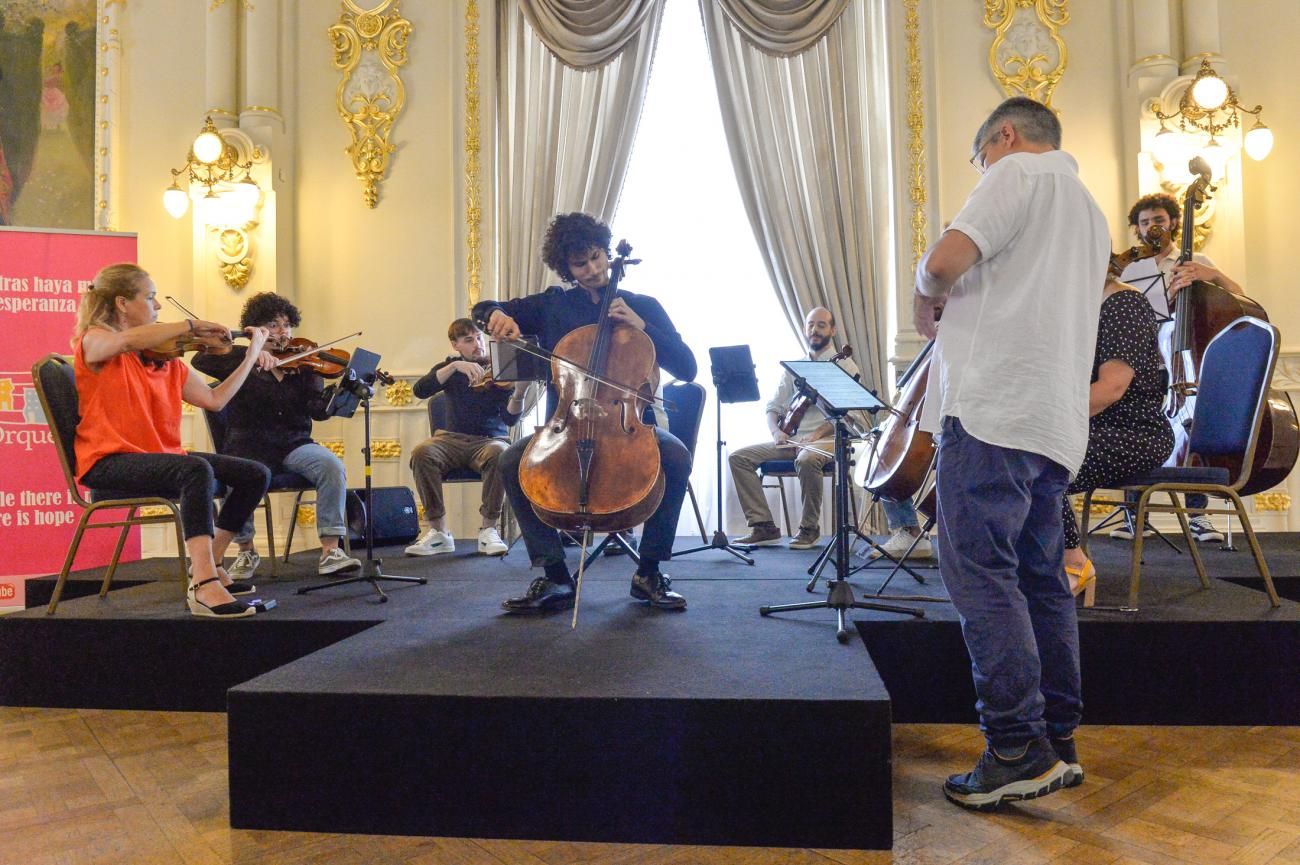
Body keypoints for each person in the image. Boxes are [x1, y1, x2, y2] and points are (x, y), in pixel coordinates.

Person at [913, 97, 1109, 810]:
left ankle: (1016, 745)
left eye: (979, 157)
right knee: (1040, 577)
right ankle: (1057, 740)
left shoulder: (1016, 174)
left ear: (1002, 135)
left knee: (979, 569)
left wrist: (921, 289)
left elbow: (942, 265)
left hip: (994, 407)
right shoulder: (1089, 209)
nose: (981, 169)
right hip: (1053, 421)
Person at [474, 211, 697, 613]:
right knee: (510, 461)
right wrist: (495, 315)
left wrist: (642, 324)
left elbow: (687, 366)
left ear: (608, 253)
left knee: (677, 455)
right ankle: (555, 576)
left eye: (597, 257)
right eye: (581, 263)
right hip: (568, 423)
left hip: (627, 425)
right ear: (567, 268)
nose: (593, 269)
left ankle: (649, 572)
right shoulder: (553, 305)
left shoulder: (643, 304)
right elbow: (485, 306)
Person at [71, 263, 273, 619]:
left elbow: (215, 400)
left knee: (254, 474)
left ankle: (207, 563)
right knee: (194, 469)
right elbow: (125, 341)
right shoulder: (95, 342)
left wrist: (251, 355)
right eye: (150, 298)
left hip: (157, 458)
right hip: (108, 462)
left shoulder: (166, 361)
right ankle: (204, 585)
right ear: (122, 303)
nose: (158, 307)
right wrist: (192, 325)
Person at [728, 307, 928, 554]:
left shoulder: (844, 365)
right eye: (811, 324)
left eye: (821, 325)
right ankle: (763, 526)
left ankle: (809, 528)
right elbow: (774, 406)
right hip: (791, 440)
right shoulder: (795, 367)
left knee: (807, 458)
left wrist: (815, 435)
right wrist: (777, 433)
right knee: (739, 457)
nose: (814, 330)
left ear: (832, 330)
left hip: (828, 440)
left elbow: (846, 414)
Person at [192, 292, 361, 578]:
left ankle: (330, 550)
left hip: (294, 444)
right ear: (256, 329)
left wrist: (336, 399)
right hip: (249, 445)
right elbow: (200, 360)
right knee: (239, 475)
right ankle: (246, 550)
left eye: (286, 325)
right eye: (273, 325)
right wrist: (253, 353)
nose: (282, 332)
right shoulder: (239, 361)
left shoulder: (305, 366)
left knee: (331, 465)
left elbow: (316, 411)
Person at [1111, 192, 1242, 544]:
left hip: (1184, 361)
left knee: (1192, 432)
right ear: (1136, 230)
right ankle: (1133, 517)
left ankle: (1198, 518)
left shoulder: (1196, 260)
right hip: (1143, 361)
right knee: (1136, 432)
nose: (1152, 226)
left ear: (1171, 222)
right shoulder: (1132, 269)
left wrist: (1211, 274)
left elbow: (1239, 296)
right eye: (1144, 222)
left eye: (1158, 219)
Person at [1060, 275, 1176, 605]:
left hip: (1136, 432)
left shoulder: (1123, 305)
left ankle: (1072, 563)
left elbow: (1111, 389)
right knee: (1024, 457)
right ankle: (1034, 566)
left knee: (1042, 461)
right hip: (1095, 427)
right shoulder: (1082, 307)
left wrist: (1047, 423)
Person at [405, 318, 530, 557]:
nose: (478, 345)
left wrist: (520, 393)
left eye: (480, 338)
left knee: (500, 453)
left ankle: (488, 530)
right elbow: (420, 390)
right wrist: (454, 367)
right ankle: (439, 533)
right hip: (449, 439)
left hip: (488, 441)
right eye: (469, 340)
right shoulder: (450, 368)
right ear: (455, 345)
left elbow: (511, 419)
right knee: (422, 452)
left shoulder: (502, 371)